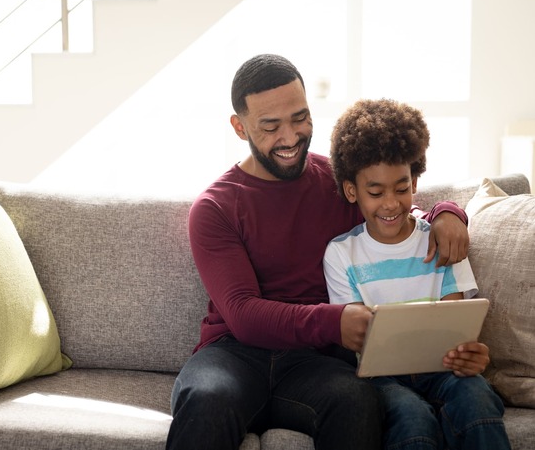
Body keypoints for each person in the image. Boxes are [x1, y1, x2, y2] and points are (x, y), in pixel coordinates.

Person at [166, 54, 473, 450]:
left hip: (315, 363)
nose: (290, 137)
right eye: (270, 126)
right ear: (239, 127)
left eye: (300, 117)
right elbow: (243, 313)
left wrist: (448, 213)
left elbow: (391, 208)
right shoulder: (216, 207)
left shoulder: (334, 182)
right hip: (232, 356)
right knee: (208, 400)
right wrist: (335, 321)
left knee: (356, 401)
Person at [323, 98, 510, 450]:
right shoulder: (340, 254)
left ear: (415, 182)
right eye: (375, 192)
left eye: (401, 188)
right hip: (382, 379)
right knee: (412, 418)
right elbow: (355, 336)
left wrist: (468, 353)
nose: (391, 203)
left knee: (477, 399)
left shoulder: (440, 238)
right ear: (352, 190)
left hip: (443, 369)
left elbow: (457, 324)